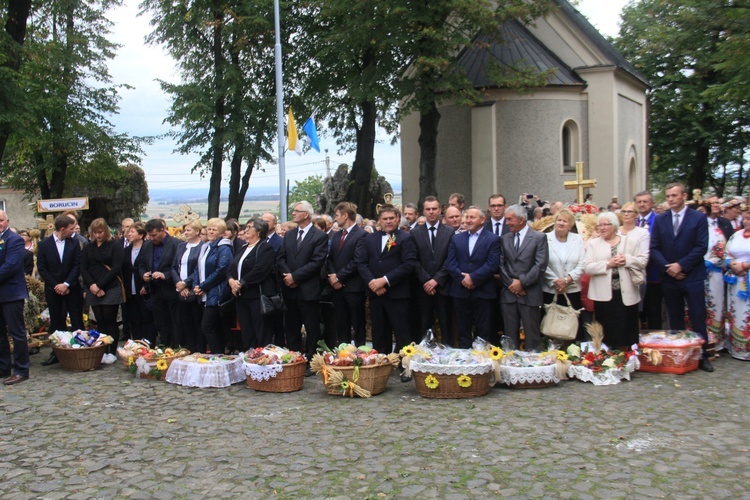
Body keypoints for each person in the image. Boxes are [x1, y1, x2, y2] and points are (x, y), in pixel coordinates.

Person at [651, 182, 712, 371]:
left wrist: (681, 265)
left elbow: (701, 246)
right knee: (675, 319)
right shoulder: (661, 219)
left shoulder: (699, 218)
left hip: (692, 275)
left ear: (684, 196)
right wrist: (668, 267)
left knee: (697, 316)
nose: (670, 199)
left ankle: (703, 356)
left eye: (674, 196)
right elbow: (654, 247)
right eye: (668, 196)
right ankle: (679, 355)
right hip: (669, 277)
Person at [356, 204, 416, 379]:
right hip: (376, 293)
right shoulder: (370, 239)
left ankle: (406, 367)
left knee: (402, 332)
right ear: (379, 221)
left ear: (398, 219)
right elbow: (361, 263)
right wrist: (373, 283)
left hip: (397, 294)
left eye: (392, 218)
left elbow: (408, 264)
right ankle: (381, 366)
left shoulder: (405, 238)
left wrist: (385, 281)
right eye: (385, 219)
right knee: (379, 332)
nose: (388, 221)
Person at [277, 201, 328, 373]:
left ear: (306, 214)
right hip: (290, 289)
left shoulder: (318, 236)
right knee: (291, 327)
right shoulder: (290, 235)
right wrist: (287, 276)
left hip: (308, 290)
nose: (293, 213)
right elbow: (281, 258)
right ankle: (293, 358)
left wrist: (296, 277)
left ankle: (311, 361)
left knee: (312, 328)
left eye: (296, 211)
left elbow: (317, 262)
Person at [584, 212, 647, 348]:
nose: (602, 228)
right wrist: (608, 264)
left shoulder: (630, 241)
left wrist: (627, 260)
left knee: (627, 328)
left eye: (605, 225)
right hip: (603, 295)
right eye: (599, 225)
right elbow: (587, 267)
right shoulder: (593, 244)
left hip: (626, 293)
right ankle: (608, 359)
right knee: (606, 329)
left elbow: (642, 261)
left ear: (614, 225)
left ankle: (628, 358)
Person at [446, 207, 500, 348]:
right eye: (467, 217)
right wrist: (463, 279)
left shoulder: (493, 239)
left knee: (483, 331)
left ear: (482, 220)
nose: (468, 220)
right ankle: (465, 361)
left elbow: (492, 264)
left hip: (483, 291)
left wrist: (473, 278)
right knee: (463, 329)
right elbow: (450, 263)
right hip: (460, 291)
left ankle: (481, 363)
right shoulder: (456, 238)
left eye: (472, 217)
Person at [36, 215, 85, 366]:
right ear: (62, 229)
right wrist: (56, 285)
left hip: (72, 288)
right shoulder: (44, 245)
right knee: (57, 321)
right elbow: (42, 268)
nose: (73, 231)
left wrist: (67, 284)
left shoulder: (74, 243)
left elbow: (77, 265)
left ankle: (80, 351)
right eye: (71, 228)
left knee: (77, 319)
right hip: (53, 289)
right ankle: (57, 352)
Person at [499, 204, 549, 351]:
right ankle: (511, 366)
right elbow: (501, 265)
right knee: (510, 336)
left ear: (521, 220)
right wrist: (512, 284)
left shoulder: (539, 238)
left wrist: (522, 283)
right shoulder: (505, 238)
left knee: (532, 335)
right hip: (509, 294)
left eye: (509, 219)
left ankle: (532, 368)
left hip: (530, 293)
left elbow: (540, 265)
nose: (506, 223)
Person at [228, 218, 277, 349]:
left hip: (256, 296)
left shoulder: (265, 248)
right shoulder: (243, 248)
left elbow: (260, 270)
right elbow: (231, 268)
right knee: (246, 330)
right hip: (240, 296)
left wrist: (242, 283)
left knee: (260, 331)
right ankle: (250, 356)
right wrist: (231, 281)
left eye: (249, 227)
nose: (246, 230)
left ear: (259, 231)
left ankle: (262, 359)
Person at [412, 196, 455, 345]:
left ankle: (448, 356)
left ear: (440, 210)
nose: (431, 212)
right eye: (428, 209)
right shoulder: (415, 233)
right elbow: (414, 260)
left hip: (443, 287)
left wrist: (436, 280)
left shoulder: (449, 232)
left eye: (434, 209)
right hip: (423, 288)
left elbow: (450, 259)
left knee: (446, 324)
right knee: (423, 325)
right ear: (423, 211)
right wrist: (426, 280)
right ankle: (424, 357)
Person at [80, 218, 124, 361]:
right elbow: (83, 268)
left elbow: (116, 267)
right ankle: (102, 349)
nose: (98, 235)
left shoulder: (115, 245)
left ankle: (112, 350)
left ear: (105, 231)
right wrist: (92, 285)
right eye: (95, 233)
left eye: (100, 232)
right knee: (100, 321)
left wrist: (100, 285)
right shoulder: (88, 247)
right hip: (92, 286)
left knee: (110, 320)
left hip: (110, 286)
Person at [326, 202, 367, 346]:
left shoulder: (361, 235)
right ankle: (343, 355)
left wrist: (339, 277)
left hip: (354, 287)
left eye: (337, 215)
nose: (335, 219)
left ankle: (361, 355)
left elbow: (357, 260)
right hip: (337, 288)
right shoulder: (337, 236)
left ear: (345, 215)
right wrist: (332, 277)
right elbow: (330, 258)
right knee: (341, 324)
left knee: (358, 324)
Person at [192, 218, 233, 354]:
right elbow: (198, 268)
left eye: (214, 229)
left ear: (221, 233)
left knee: (207, 326)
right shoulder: (205, 247)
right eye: (209, 229)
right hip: (204, 293)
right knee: (211, 327)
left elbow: (221, 270)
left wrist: (203, 286)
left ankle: (218, 354)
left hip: (216, 293)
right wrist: (196, 285)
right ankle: (215, 353)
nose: (210, 231)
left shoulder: (224, 248)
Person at [543, 209, 585, 336]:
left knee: (570, 326)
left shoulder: (577, 239)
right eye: (559, 220)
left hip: (571, 289)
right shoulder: (545, 238)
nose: (561, 223)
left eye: (565, 221)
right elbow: (542, 263)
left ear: (570, 225)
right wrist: (556, 281)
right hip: (550, 289)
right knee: (550, 324)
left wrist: (567, 280)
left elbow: (582, 263)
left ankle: (570, 351)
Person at [0, 211, 31, 384]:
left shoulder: (14, 240)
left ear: (7, 221)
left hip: (11, 294)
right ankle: (3, 367)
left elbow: (10, 266)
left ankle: (21, 369)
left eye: (1, 220)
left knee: (17, 333)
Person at [139, 219, 180, 347]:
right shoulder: (147, 245)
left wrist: (165, 275)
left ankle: (176, 347)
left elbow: (179, 266)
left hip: (171, 289)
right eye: (150, 236)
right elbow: (141, 264)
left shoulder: (176, 244)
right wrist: (143, 274)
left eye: (154, 235)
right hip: (155, 290)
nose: (152, 238)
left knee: (175, 322)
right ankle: (164, 347)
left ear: (163, 230)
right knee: (161, 323)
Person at [172, 220, 205, 352]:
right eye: (184, 230)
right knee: (185, 321)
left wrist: (186, 283)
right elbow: (174, 267)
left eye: (188, 230)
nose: (185, 233)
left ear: (197, 231)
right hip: (180, 288)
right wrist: (179, 284)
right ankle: (190, 347)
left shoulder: (203, 247)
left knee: (197, 320)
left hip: (195, 288)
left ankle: (200, 348)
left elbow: (199, 269)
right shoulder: (181, 246)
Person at [122, 222, 157, 345]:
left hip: (143, 287)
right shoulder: (126, 250)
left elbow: (149, 266)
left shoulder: (148, 248)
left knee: (147, 317)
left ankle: (149, 343)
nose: (129, 234)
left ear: (141, 234)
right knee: (134, 318)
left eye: (132, 232)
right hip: (129, 288)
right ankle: (136, 344)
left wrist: (146, 285)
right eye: (128, 232)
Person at [701, 201, 728, 353]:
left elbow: (721, 253)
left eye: (702, 211)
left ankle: (715, 342)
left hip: (712, 275)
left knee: (714, 306)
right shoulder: (692, 230)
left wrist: (708, 263)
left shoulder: (716, 232)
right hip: (694, 273)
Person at [634, 190, 662, 329]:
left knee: (653, 310)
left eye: (645, 201)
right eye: (639, 202)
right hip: (634, 274)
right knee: (637, 311)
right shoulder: (632, 220)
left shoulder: (659, 220)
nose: (642, 204)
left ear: (652, 203)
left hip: (653, 274)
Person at [725, 208, 750, 360]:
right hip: (736, 281)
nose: (746, 221)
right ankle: (737, 347)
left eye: (749, 219)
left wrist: (746, 266)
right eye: (745, 218)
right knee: (736, 313)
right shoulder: (736, 235)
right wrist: (732, 264)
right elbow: (726, 253)